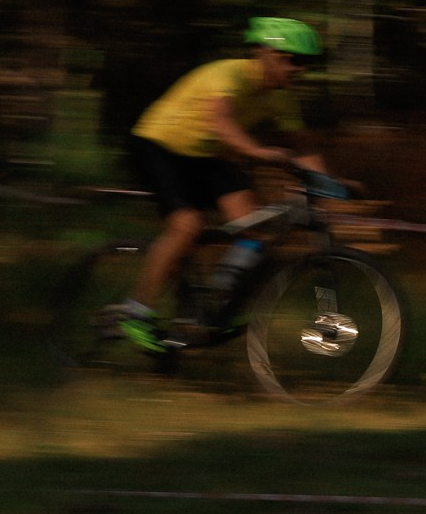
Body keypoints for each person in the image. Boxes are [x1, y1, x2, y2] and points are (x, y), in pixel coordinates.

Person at [109, 17, 334, 352]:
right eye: (293, 60)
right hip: (158, 146)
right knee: (187, 224)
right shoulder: (228, 75)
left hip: (205, 155)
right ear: (264, 53)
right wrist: (259, 152)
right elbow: (222, 124)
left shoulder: (281, 98)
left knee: (253, 228)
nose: (299, 69)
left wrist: (332, 184)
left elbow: (303, 146)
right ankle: (135, 311)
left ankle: (214, 306)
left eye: (305, 63)